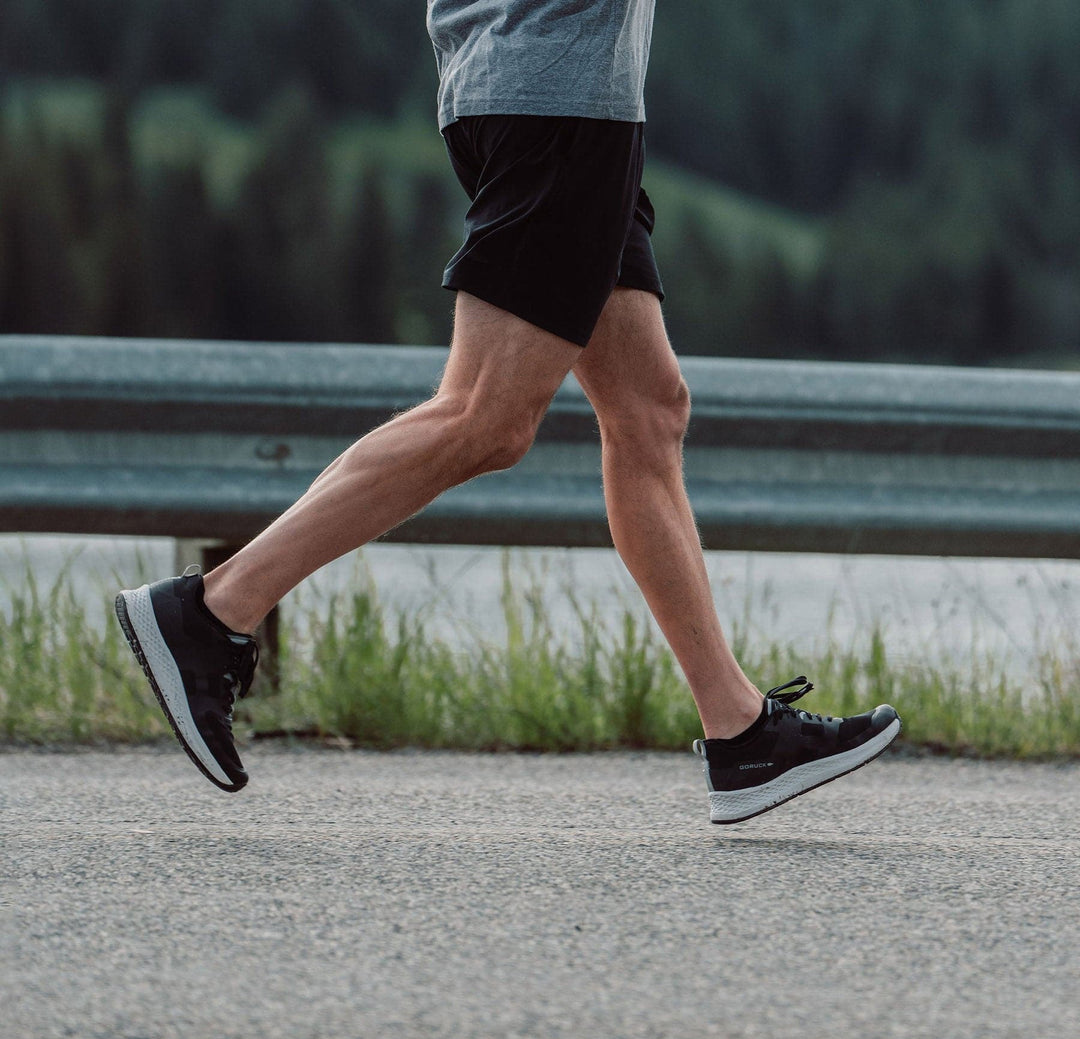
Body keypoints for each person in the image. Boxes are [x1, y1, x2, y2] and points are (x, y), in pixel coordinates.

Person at [115, 0, 900, 823]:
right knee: (486, 418)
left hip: (541, 85)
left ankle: (742, 734)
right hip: (555, 97)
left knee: (648, 409)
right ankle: (214, 611)